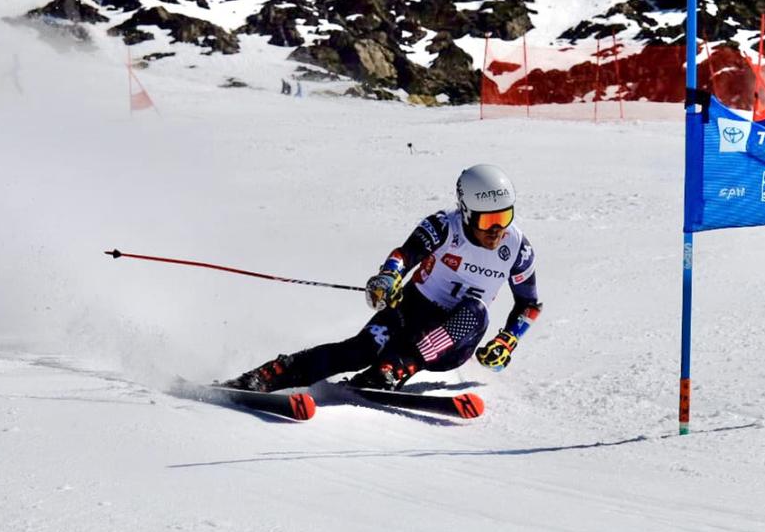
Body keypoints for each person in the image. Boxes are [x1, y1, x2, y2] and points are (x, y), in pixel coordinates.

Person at [223, 164, 542, 392]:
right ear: (467, 212)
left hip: (454, 341)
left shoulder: (517, 248)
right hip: (413, 312)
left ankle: (396, 367)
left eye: (505, 216)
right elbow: (406, 254)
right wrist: (388, 277)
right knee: (358, 350)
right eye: (490, 220)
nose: (498, 229)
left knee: (476, 310)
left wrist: (508, 340)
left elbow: (529, 304)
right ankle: (271, 374)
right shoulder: (445, 225)